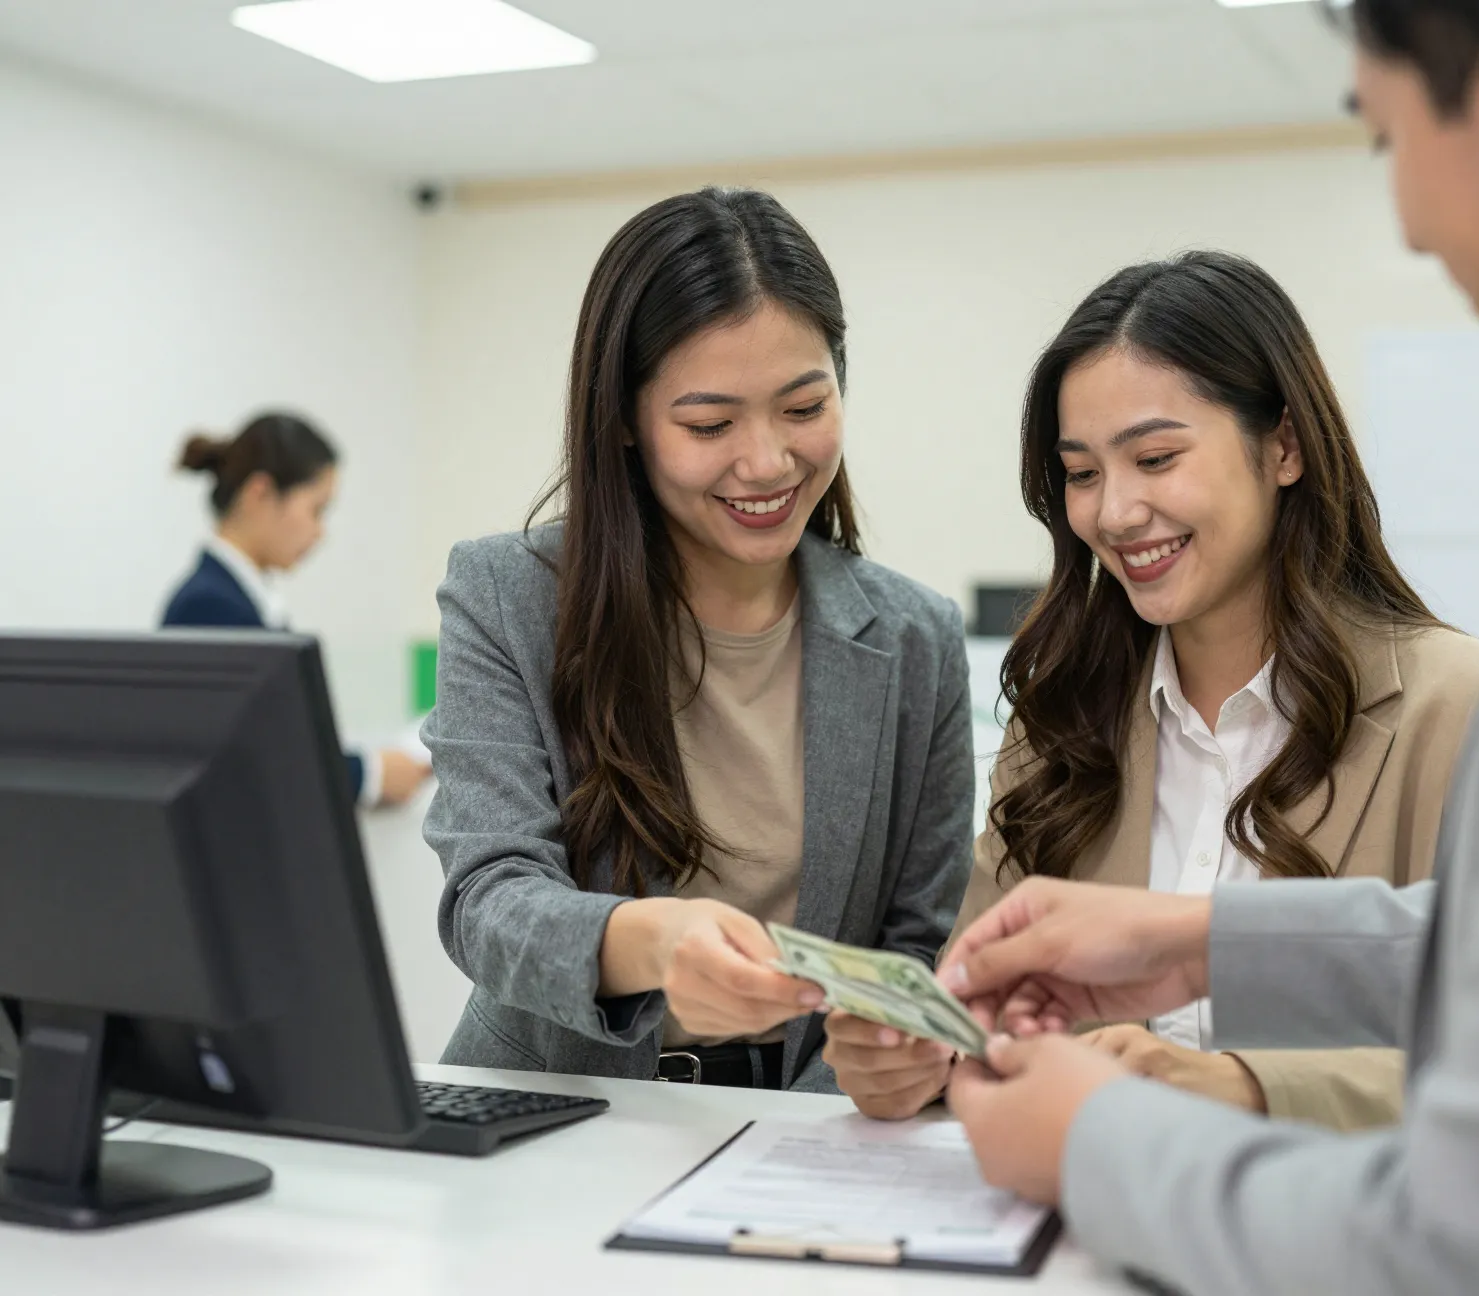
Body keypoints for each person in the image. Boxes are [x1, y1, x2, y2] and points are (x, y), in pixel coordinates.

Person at [938, 3, 1479, 1294]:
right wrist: (1199, 943)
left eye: (1385, 138)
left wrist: (1113, 1133)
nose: (1409, 221)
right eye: (1084, 473)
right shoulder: (1066, 708)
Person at [826, 252, 1479, 1128]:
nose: (1114, 512)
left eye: (1155, 457)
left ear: (1284, 446)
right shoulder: (1061, 721)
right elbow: (980, 1010)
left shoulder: (1461, 706)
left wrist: (1240, 1087)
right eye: (1083, 472)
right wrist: (920, 1058)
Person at [420, 187, 974, 1092]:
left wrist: (889, 1062)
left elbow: (913, 942)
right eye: (709, 425)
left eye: (803, 408)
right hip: (561, 1109)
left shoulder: (916, 639)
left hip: (809, 1125)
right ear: (625, 424)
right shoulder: (508, 597)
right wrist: (649, 944)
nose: (765, 462)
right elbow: (488, 902)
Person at [165, 412, 430, 808]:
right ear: (260, 493)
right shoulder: (209, 606)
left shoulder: (240, 599)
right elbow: (254, 763)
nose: (320, 531)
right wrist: (370, 775)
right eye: (316, 509)